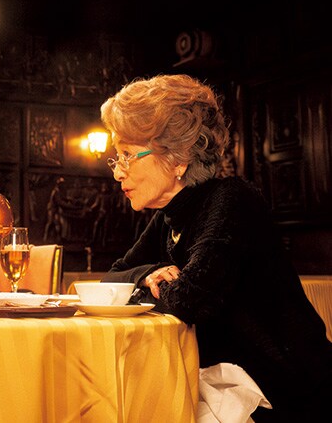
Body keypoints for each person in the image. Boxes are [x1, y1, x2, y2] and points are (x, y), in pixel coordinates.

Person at [99, 74, 332, 422]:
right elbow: (111, 280)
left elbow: (188, 301)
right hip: (225, 385)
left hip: (286, 393)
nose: (118, 173)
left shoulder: (232, 199)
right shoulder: (167, 217)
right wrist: (148, 274)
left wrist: (149, 287)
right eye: (117, 158)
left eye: (128, 156)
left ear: (178, 160)